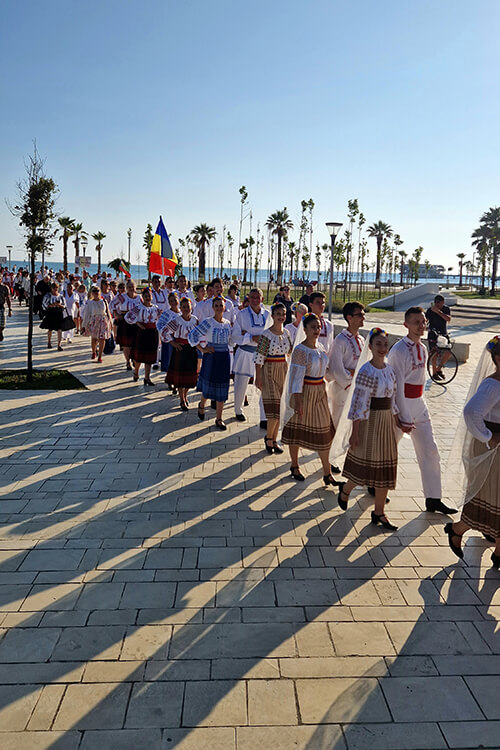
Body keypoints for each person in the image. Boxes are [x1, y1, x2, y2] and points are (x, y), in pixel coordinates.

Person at [387, 306, 456, 515]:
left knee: (430, 450)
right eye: (416, 322)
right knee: (389, 447)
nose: (421, 326)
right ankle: (376, 484)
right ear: (405, 324)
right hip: (402, 404)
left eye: (423, 322)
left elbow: (421, 381)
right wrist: (400, 413)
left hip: (418, 402)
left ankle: (433, 497)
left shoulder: (423, 348)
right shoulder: (398, 350)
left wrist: (420, 406)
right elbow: (395, 384)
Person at [336, 328, 405, 531]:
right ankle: (346, 489)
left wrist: (397, 420)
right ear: (370, 346)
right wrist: (355, 432)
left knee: (385, 466)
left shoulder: (390, 370)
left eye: (385, 344)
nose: (382, 348)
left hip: (386, 422)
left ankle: (379, 512)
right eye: (378, 344)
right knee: (365, 464)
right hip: (370, 420)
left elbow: (392, 399)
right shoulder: (366, 370)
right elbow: (358, 403)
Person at [444, 335, 500, 568]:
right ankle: (457, 528)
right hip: (493, 447)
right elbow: (470, 413)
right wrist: (488, 437)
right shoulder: (492, 385)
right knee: (488, 495)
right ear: (498, 358)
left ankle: (498, 553)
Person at [281, 312, 336, 484]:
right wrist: (298, 400)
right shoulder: (300, 350)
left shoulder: (320, 348)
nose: (317, 330)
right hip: (305, 392)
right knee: (296, 428)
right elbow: (296, 377)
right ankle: (295, 465)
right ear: (304, 329)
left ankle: (327, 473)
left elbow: (325, 371)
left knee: (324, 430)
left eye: (318, 327)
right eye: (313, 327)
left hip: (319, 390)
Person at [188, 297, 232, 430]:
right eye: (216, 305)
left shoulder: (227, 323)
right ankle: (202, 405)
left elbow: (231, 340)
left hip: (224, 357)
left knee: (222, 386)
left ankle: (219, 418)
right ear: (213, 308)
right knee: (208, 385)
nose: (219, 308)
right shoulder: (208, 322)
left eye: (221, 305)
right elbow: (192, 335)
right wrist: (202, 349)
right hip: (211, 357)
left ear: (224, 308)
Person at [255, 303, 293, 453]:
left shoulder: (287, 333)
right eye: (278, 314)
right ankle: (269, 439)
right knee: (274, 408)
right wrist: (258, 377)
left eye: (283, 314)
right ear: (272, 316)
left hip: (283, 370)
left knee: (280, 408)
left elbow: (290, 352)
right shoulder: (266, 334)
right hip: (269, 370)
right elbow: (258, 358)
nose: (281, 317)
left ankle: (273, 439)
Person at [232, 287, 271, 423]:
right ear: (248, 298)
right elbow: (236, 335)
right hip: (245, 352)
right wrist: (251, 337)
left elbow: (271, 332)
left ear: (262, 299)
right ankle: (238, 410)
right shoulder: (241, 315)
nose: (254, 300)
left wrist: (255, 336)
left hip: (263, 353)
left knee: (264, 384)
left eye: (257, 297)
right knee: (241, 383)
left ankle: (264, 417)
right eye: (252, 297)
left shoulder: (268, 314)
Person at [328, 302, 366, 430]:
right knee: (339, 423)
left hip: (358, 388)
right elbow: (336, 369)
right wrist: (351, 375)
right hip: (343, 389)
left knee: (355, 426)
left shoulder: (361, 339)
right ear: (349, 318)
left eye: (363, 314)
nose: (363, 318)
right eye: (359, 315)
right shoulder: (340, 340)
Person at [161, 297, 199, 410]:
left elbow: (199, 334)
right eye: (184, 307)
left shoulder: (195, 320)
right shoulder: (177, 320)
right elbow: (164, 332)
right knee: (180, 376)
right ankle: (182, 399)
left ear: (191, 307)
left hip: (191, 350)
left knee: (190, 375)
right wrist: (173, 343)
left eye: (188, 306)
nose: (186, 309)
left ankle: (185, 395)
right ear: (180, 308)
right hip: (180, 350)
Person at [125, 288, 160, 386]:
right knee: (139, 356)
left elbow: (160, 319)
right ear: (142, 297)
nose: (148, 298)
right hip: (142, 332)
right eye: (145, 296)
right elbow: (127, 316)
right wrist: (137, 323)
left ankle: (147, 378)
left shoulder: (155, 308)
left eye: (149, 296)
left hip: (152, 333)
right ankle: (136, 372)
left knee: (149, 357)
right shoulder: (139, 307)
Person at [110, 279, 139, 370]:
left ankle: (134, 359)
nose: (131, 288)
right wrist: (116, 314)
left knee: (135, 343)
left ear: (135, 288)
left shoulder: (139, 298)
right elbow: (112, 304)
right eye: (129, 287)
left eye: (132, 287)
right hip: (125, 322)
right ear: (126, 288)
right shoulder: (122, 297)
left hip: (136, 323)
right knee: (126, 344)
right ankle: (127, 361)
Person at [82, 286, 113, 362]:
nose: (96, 292)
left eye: (97, 291)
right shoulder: (90, 302)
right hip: (94, 321)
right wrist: (84, 325)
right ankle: (94, 351)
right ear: (92, 293)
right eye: (94, 291)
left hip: (103, 321)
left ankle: (100, 356)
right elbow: (87, 314)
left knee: (102, 339)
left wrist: (111, 323)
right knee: (94, 338)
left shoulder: (104, 301)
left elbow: (108, 312)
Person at [425, 294, 452, 378]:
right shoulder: (430, 310)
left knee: (448, 352)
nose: (436, 304)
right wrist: (425, 326)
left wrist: (439, 312)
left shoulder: (446, 309)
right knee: (434, 354)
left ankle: (439, 368)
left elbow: (448, 319)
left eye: (438, 302)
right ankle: (434, 373)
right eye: (435, 302)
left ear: (442, 303)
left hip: (443, 333)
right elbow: (426, 320)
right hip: (433, 333)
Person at [39, 282, 67, 350]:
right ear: (51, 288)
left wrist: (59, 305)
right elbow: (44, 305)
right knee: (50, 329)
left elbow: (64, 305)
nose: (55, 289)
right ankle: (49, 342)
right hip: (51, 312)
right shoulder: (48, 295)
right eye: (54, 288)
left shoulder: (60, 296)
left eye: (56, 288)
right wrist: (53, 305)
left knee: (59, 329)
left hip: (59, 312)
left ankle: (59, 345)